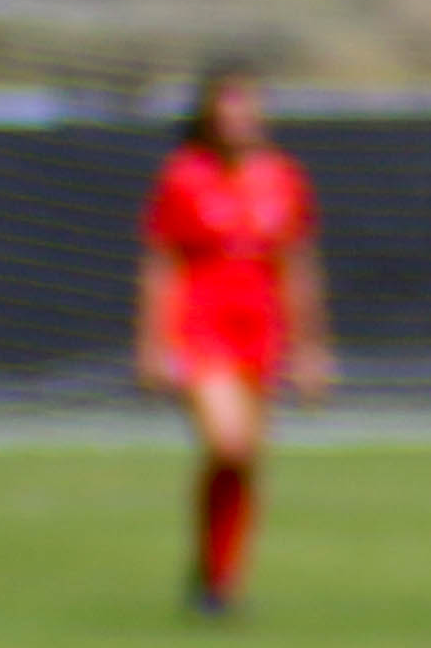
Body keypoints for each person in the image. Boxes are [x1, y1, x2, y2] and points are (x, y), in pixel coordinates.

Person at [133, 71, 331, 619]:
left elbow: (297, 267)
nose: (240, 119)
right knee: (229, 444)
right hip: (200, 328)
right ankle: (211, 567)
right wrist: (152, 343)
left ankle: (220, 579)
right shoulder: (184, 177)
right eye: (230, 108)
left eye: (249, 109)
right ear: (210, 115)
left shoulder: (283, 178)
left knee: (246, 459)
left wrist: (310, 350)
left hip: (260, 330)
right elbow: (161, 264)